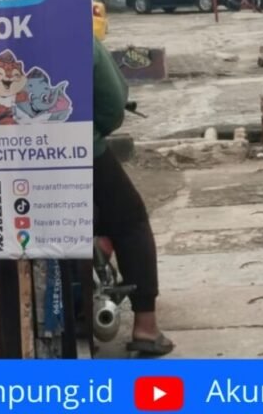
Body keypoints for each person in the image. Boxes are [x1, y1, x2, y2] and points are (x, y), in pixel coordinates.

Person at [92, 36, 174, 356]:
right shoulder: (69, 29)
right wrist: (95, 130)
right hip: (76, 149)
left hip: (1, 157)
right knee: (131, 221)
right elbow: (112, 103)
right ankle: (146, 327)